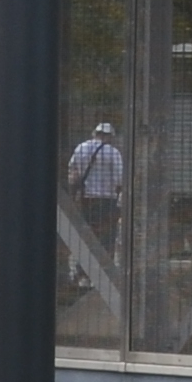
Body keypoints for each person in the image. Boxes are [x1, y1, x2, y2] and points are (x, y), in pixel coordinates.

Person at [64, 120, 126, 293]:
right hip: (107, 200)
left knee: (86, 235)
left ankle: (81, 272)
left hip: (86, 200)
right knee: (106, 236)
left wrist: (74, 194)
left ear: (95, 133)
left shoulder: (81, 148)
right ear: (109, 136)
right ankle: (102, 274)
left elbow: (73, 174)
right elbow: (120, 180)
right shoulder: (113, 153)